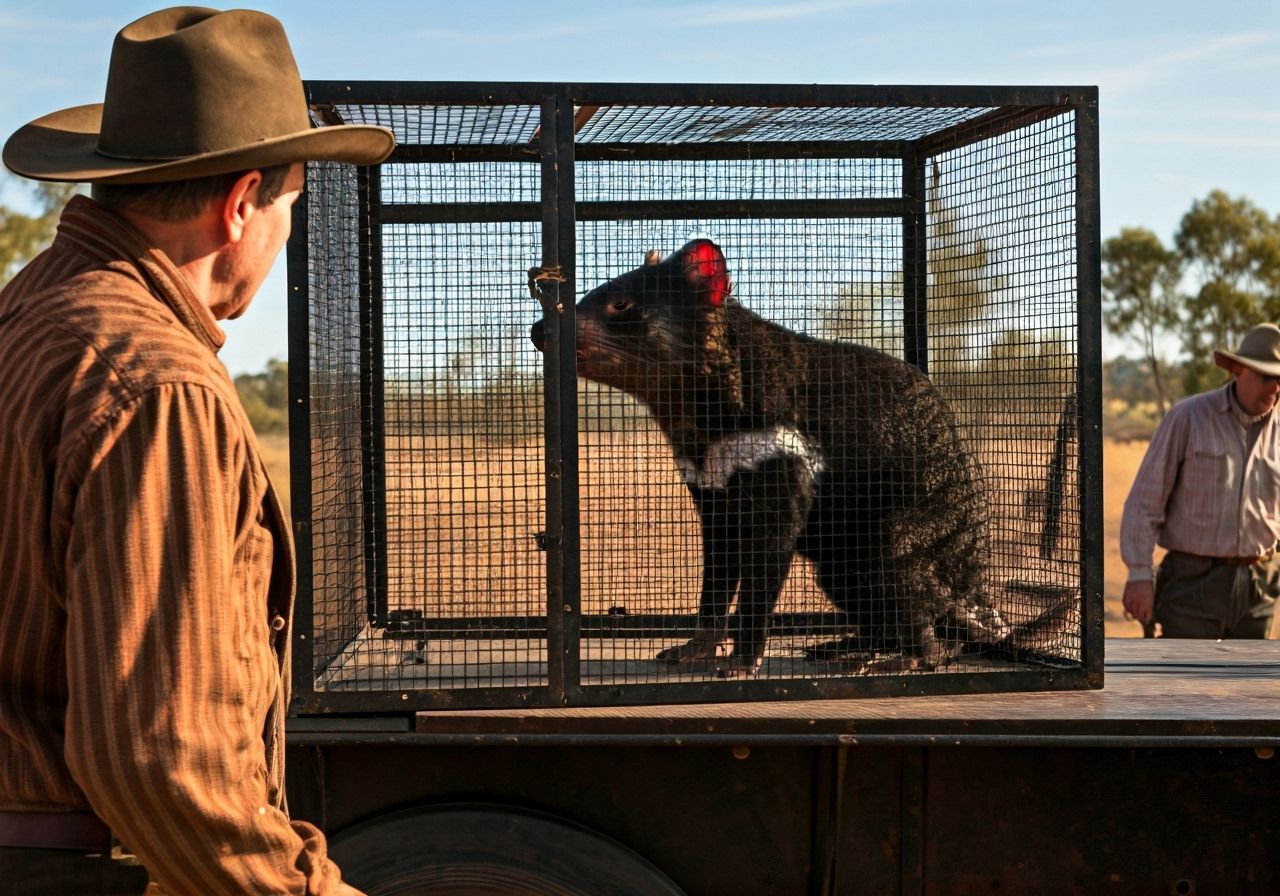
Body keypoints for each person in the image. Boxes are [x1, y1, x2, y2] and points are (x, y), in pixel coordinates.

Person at [0, 7, 393, 894]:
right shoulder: (158, 387)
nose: (285, 232)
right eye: (290, 203)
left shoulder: (30, 310)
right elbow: (162, 762)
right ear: (240, 203)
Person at [1121, 323, 1280, 639]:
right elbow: (1144, 502)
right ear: (1238, 369)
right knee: (1183, 683)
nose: (1275, 388)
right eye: (1266, 377)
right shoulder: (1188, 417)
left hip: (1258, 587)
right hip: (1191, 585)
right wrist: (1140, 575)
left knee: (1248, 685)